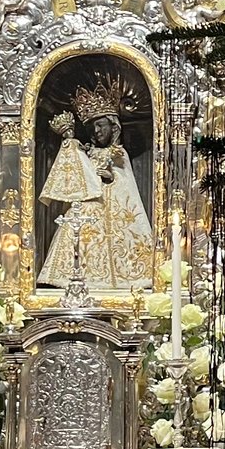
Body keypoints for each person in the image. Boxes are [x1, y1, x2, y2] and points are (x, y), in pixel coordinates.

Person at [39, 75, 154, 291]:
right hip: (88, 210)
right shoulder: (87, 152)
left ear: (114, 126)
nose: (97, 132)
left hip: (116, 214)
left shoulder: (118, 153)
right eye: (93, 128)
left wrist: (113, 177)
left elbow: (126, 182)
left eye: (100, 126)